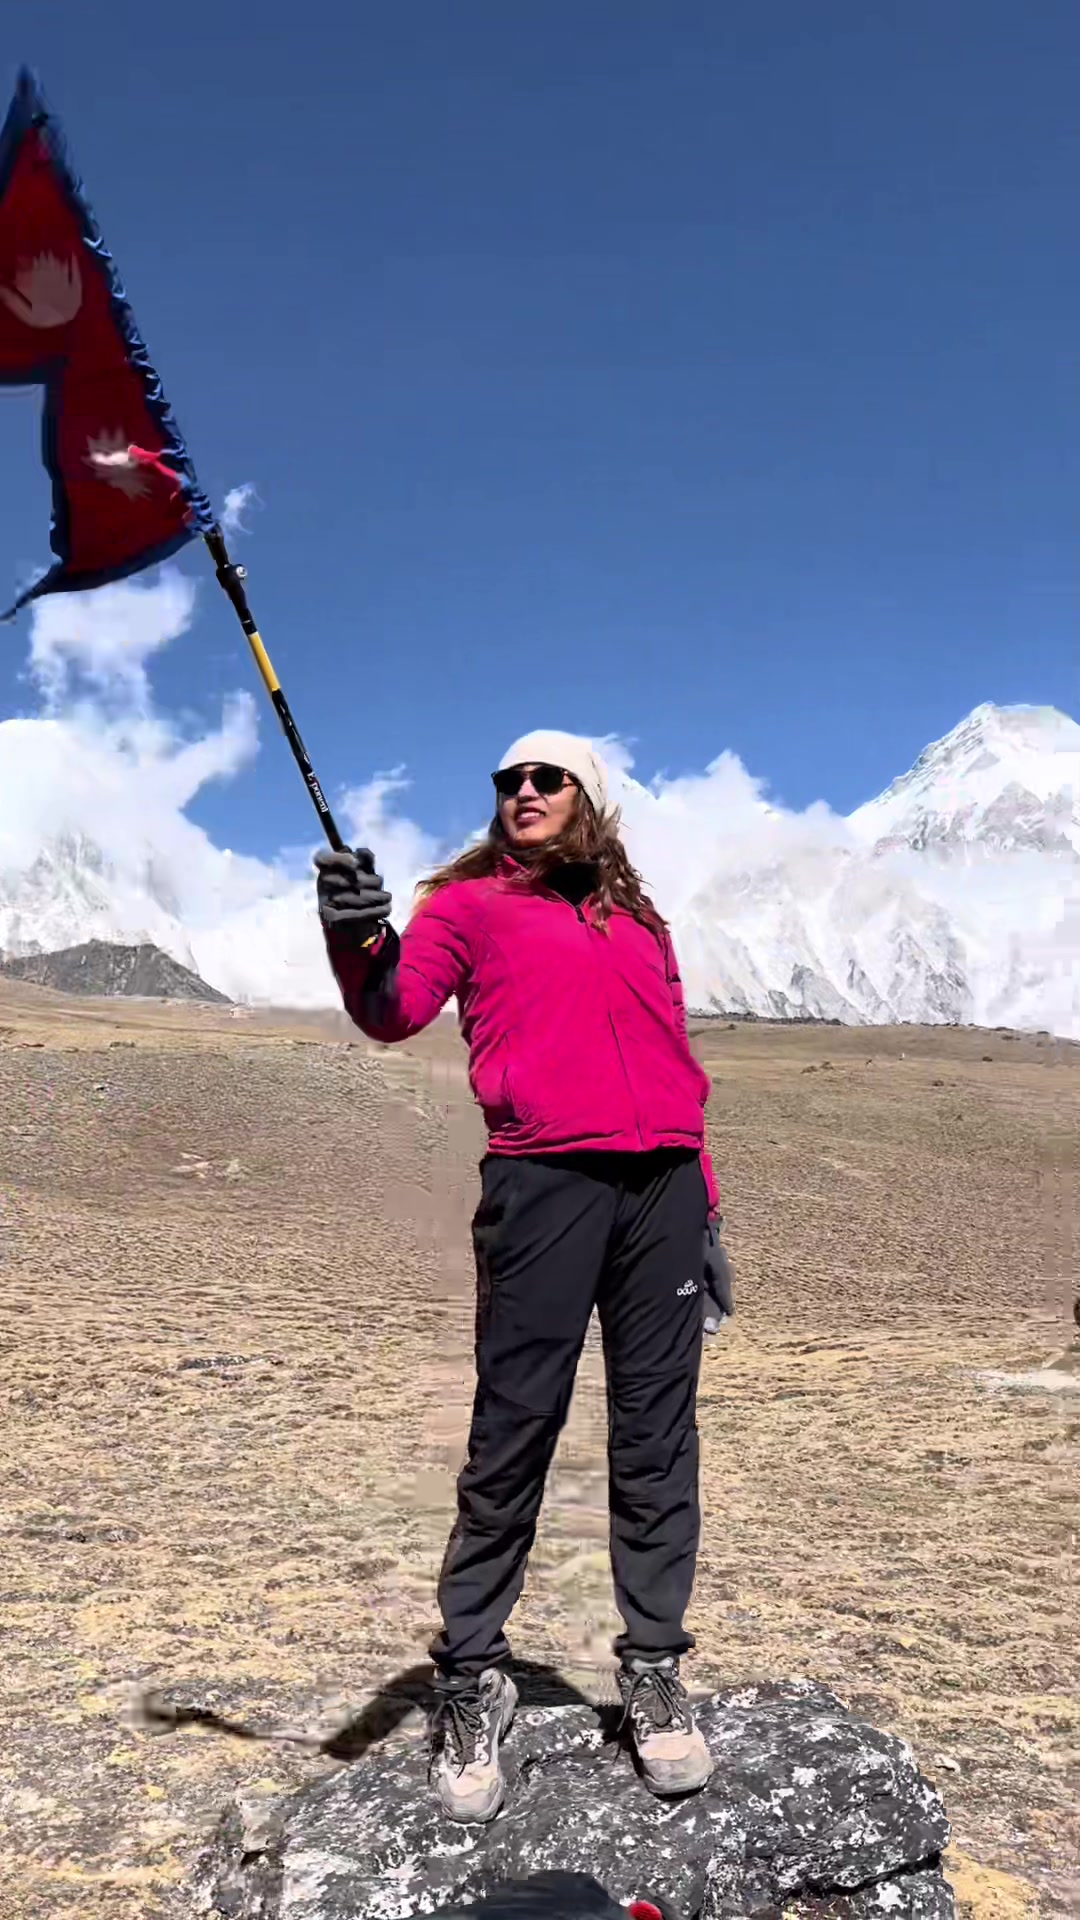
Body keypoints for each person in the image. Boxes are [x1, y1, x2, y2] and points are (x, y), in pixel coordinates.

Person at [315, 730, 728, 1825]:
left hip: (664, 1191)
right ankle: (472, 1676)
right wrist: (353, 934)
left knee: (658, 1437)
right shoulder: (466, 906)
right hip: (543, 1186)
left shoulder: (640, 921)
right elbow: (391, 1008)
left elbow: (677, 1063)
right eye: (509, 780)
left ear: (591, 796)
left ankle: (652, 1669)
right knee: (513, 1433)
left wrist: (706, 1212)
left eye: (548, 777)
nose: (524, 791)